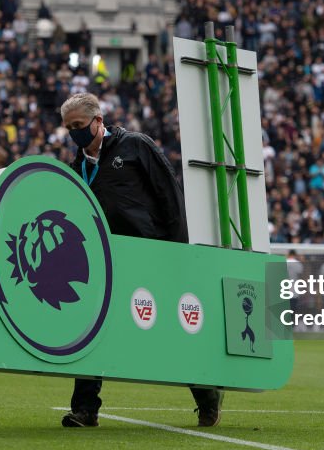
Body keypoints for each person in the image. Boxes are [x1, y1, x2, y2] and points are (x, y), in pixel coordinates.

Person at [58, 93, 222, 428]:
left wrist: (178, 249)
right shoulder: (75, 170)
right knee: (92, 330)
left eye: (79, 125)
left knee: (172, 329)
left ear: (98, 121)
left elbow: (170, 194)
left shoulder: (135, 146)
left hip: (152, 254)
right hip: (107, 261)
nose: (74, 132)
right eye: (69, 128)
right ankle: (85, 409)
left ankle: (207, 396)